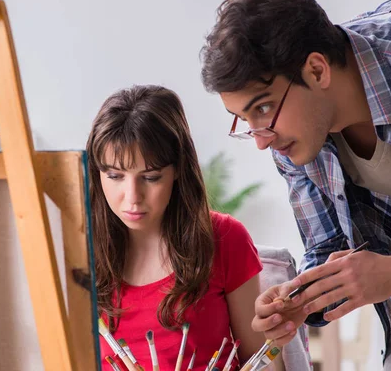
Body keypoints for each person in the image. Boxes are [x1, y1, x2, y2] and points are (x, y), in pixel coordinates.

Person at [200, 0, 391, 370]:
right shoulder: (292, 135)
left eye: (263, 108)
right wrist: (299, 300)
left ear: (317, 70)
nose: (260, 141)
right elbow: (329, 247)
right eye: (246, 121)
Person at [86, 85, 268, 370]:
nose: (132, 198)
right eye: (115, 175)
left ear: (178, 171)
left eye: (151, 177)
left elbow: (262, 362)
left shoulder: (225, 238)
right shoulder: (77, 252)